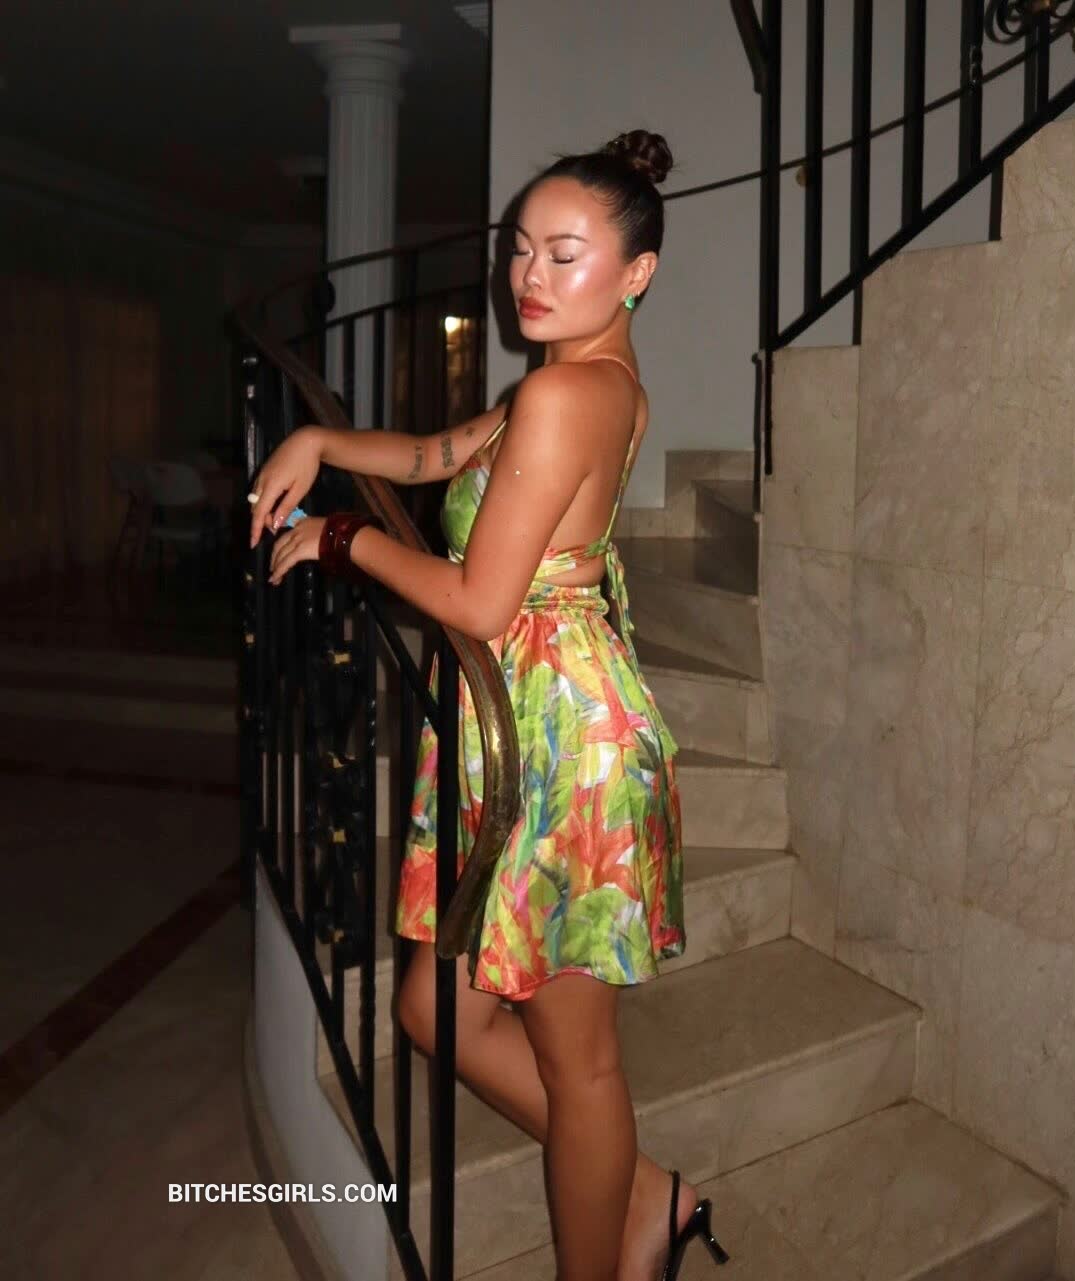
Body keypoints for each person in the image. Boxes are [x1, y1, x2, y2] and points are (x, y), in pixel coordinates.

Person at [250, 128, 729, 1281]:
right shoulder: (566, 387)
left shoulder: (569, 394)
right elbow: (430, 455)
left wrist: (343, 538)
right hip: (518, 724)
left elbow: (474, 600)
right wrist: (321, 438)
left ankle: (612, 1241)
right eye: (521, 248)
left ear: (638, 272)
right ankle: (646, 1192)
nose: (528, 275)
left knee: (581, 1066)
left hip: (559, 750)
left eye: (565, 254)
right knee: (435, 1011)